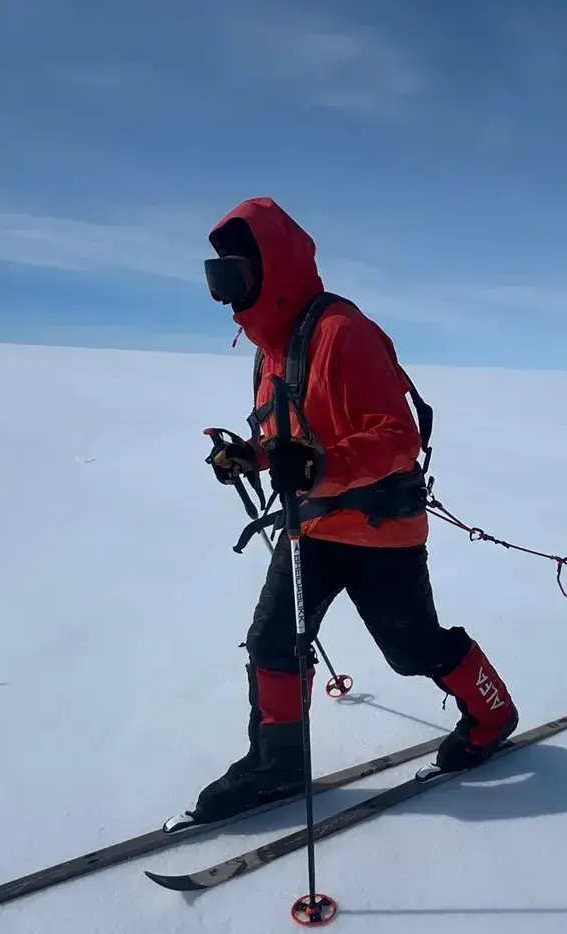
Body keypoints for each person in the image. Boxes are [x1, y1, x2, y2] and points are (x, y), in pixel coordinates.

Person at [181, 196, 518, 826]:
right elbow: (291, 435)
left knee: (412, 650)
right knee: (273, 641)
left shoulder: (342, 332)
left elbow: (396, 437)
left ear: (270, 268)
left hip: (378, 528)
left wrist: (320, 467)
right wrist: (252, 455)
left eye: (234, 275)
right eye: (216, 277)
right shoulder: (271, 347)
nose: (226, 295)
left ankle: (492, 712)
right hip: (313, 525)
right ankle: (277, 767)